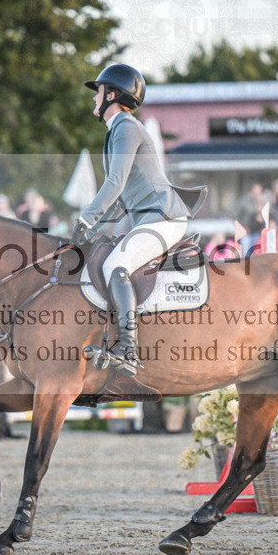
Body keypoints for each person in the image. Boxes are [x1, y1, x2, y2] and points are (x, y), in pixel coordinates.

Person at [70, 63, 205, 377]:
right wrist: (95, 229)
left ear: (112, 95)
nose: (94, 99)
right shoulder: (118, 130)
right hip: (149, 218)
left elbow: (115, 183)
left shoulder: (126, 128)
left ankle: (126, 349)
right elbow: (122, 197)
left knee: (115, 267)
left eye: (98, 92)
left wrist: (87, 219)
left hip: (164, 218)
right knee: (109, 257)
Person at [235, 183, 266, 254]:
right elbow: (236, 215)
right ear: (253, 190)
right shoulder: (244, 201)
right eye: (258, 190)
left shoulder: (260, 201)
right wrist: (244, 228)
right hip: (246, 232)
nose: (259, 192)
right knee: (246, 249)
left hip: (258, 232)